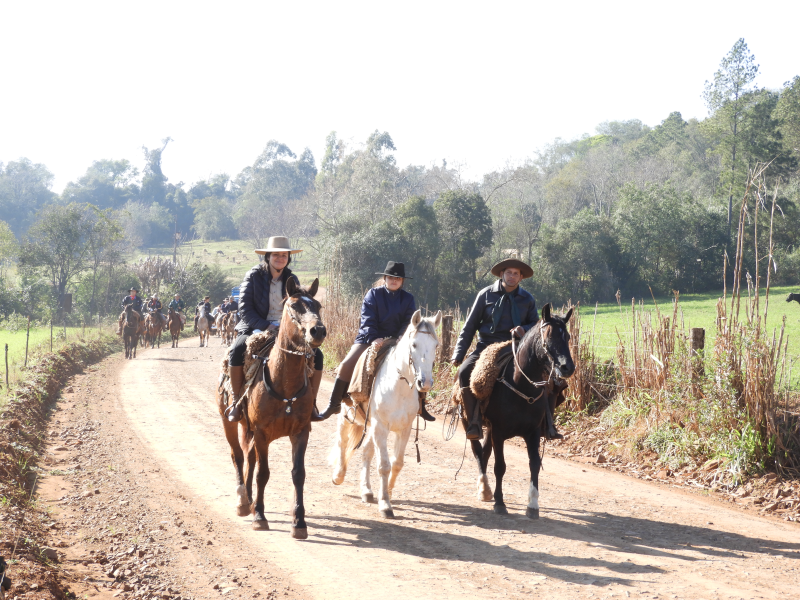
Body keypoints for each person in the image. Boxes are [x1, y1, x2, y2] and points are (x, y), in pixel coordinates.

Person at [450, 258, 555, 440]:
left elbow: (536, 325)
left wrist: (524, 329)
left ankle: (547, 423)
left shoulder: (527, 298)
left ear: (521, 277)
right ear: (501, 274)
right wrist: (458, 353)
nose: (512, 276)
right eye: (509, 273)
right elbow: (470, 325)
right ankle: (474, 421)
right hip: (486, 346)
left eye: (516, 274)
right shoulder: (485, 295)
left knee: (553, 378)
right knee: (465, 371)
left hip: (516, 347)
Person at [317, 261, 435, 422]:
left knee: (421, 361)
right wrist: (373, 338)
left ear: (402, 281)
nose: (394, 280)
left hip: (398, 340)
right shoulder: (373, 294)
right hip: (370, 338)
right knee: (346, 364)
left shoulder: (408, 298)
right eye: (391, 277)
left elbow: (408, 321)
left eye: (398, 278)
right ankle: (334, 404)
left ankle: (421, 404)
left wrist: (401, 337)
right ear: (385, 278)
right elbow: (367, 319)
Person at [225, 236, 325, 423]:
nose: (280, 258)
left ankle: (311, 404)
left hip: (286, 329)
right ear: (268, 257)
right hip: (256, 326)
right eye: (276, 255)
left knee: (317, 355)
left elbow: (298, 307)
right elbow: (244, 309)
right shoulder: (253, 276)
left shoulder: (292, 279)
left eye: (284, 255)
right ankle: (236, 401)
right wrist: (266, 325)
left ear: (288, 258)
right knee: (237, 348)